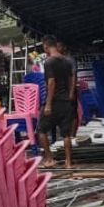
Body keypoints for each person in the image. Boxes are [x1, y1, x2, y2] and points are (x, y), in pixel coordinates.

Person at [37, 36, 78, 169]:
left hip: (54, 102)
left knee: (41, 130)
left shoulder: (49, 62)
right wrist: (70, 95)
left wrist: (48, 104)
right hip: (66, 101)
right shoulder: (67, 61)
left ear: (46, 46)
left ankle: (49, 159)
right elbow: (72, 78)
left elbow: (51, 82)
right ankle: (68, 162)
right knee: (66, 134)